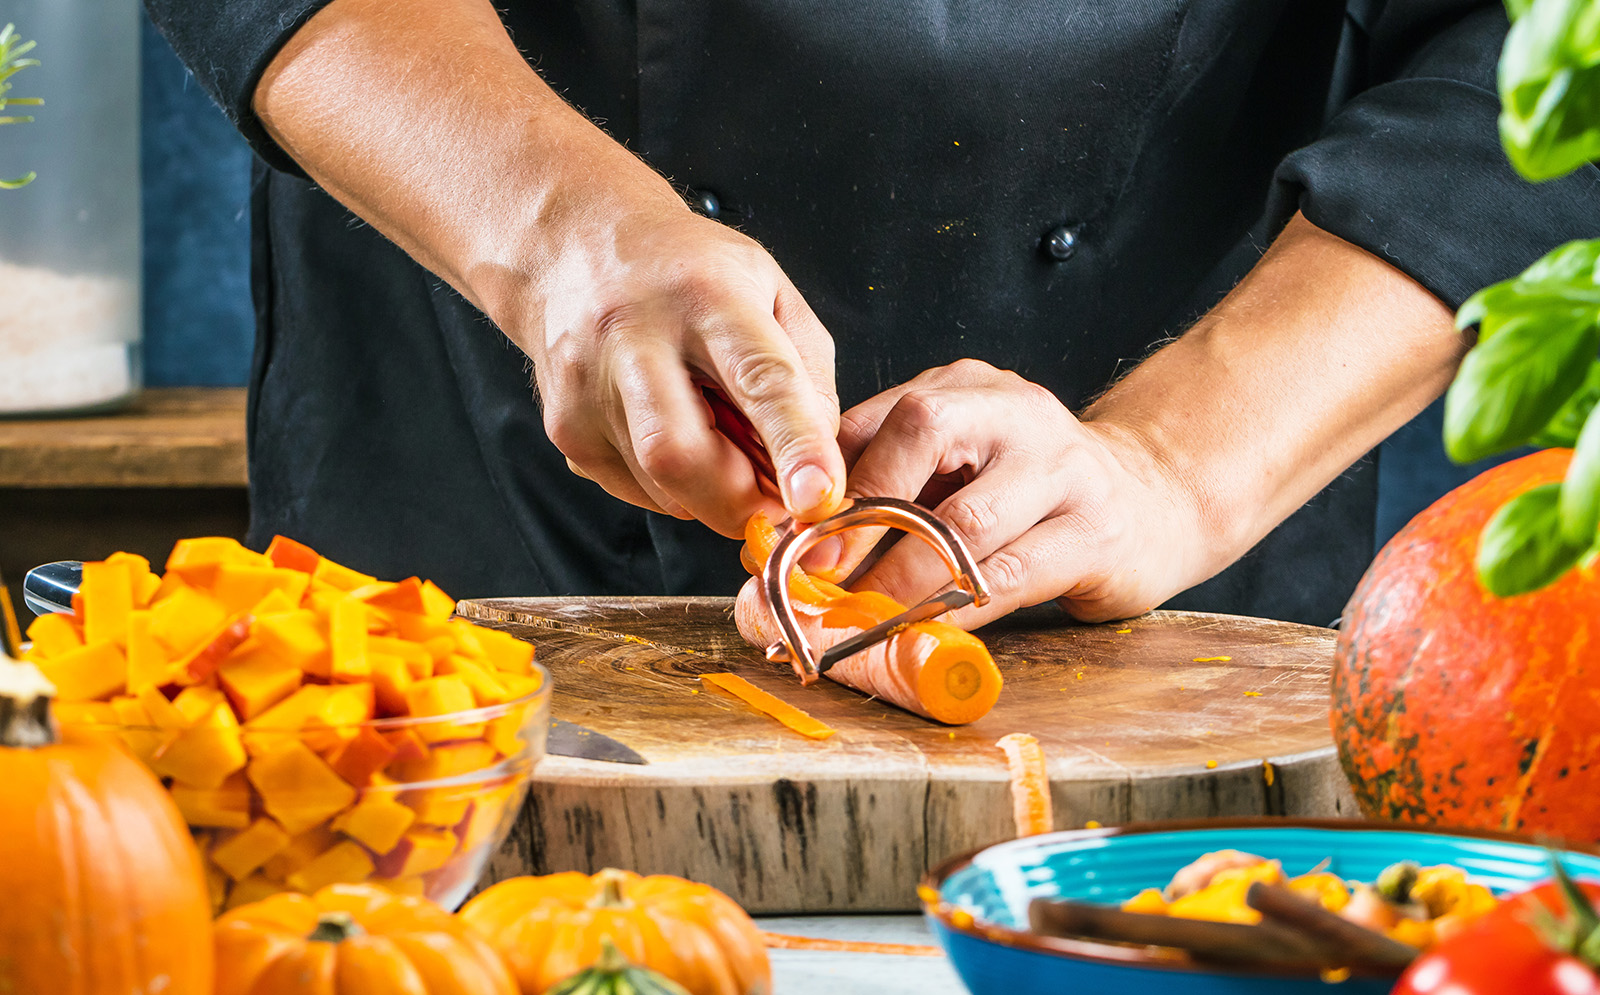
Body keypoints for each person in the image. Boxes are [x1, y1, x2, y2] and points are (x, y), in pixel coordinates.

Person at [146, 0, 1594, 628]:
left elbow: (1539, 56)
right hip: (469, 478)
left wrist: (1171, 464)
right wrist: (547, 224)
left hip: (1191, 558)